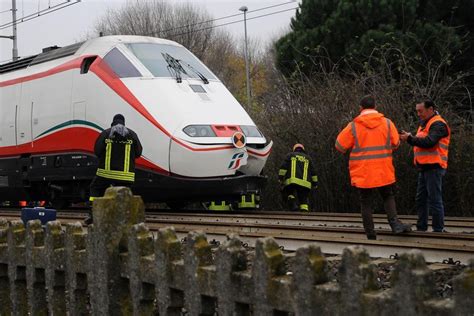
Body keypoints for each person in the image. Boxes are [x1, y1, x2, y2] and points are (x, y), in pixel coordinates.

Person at [335, 95, 411, 239]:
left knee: (366, 201)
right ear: (375, 107)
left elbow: (339, 146)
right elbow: (395, 143)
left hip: (363, 171)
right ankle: (395, 224)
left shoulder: (353, 126)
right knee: (388, 196)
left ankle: (370, 233)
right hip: (383, 169)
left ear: (360, 108)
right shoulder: (387, 123)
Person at [400, 100, 450, 232]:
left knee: (434, 199)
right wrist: (410, 137)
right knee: (421, 199)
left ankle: (438, 229)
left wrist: (410, 139)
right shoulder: (425, 124)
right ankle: (421, 227)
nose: (418, 114)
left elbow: (429, 142)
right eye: (417, 111)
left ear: (431, 109)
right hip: (425, 167)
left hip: (434, 167)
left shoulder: (438, 124)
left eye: (420, 111)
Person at [84, 114, 143, 224]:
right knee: (125, 195)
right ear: (124, 122)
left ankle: (92, 214)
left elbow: (97, 151)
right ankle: (126, 218)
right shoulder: (132, 134)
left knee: (95, 189)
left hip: (106, 174)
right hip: (126, 176)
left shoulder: (106, 133)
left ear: (113, 122)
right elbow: (139, 153)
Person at [278, 143, 318, 212]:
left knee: (290, 193)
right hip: (305, 184)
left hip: (292, 181)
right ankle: (304, 213)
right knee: (303, 200)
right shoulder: (308, 158)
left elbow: (283, 168)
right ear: (303, 149)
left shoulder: (290, 155)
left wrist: (280, 178)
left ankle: (293, 204)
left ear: (294, 149)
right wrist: (315, 183)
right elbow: (313, 172)